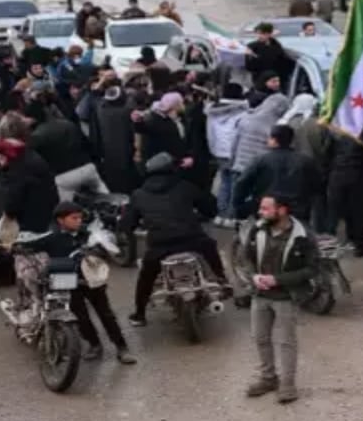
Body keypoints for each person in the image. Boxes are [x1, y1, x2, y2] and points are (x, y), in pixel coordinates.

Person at [16, 202, 137, 364]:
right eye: (74, 218)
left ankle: (122, 348)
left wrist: (99, 248)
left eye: (80, 217)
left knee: (106, 314)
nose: (78, 221)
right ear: (61, 220)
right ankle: (94, 345)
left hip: (91, 279)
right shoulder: (52, 238)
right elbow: (29, 245)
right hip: (68, 280)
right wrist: (13, 247)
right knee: (80, 316)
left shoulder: (88, 234)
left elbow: (107, 246)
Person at [123, 153, 226, 326]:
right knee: (210, 247)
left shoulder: (138, 194)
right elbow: (210, 208)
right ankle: (223, 281)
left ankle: (139, 314)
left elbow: (128, 224)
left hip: (160, 244)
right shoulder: (185, 186)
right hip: (192, 239)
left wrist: (131, 226)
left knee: (146, 277)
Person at [242, 194, 318, 404]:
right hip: (260, 295)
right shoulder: (257, 229)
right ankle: (268, 379)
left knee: (286, 342)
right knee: (260, 338)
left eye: (266, 209)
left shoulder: (303, 236)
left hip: (286, 297)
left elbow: (312, 269)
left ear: (282, 210)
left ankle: (288, 384)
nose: (261, 212)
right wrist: (254, 277)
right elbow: (246, 258)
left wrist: (278, 279)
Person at [233, 126, 321, 221]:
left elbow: (242, 182)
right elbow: (317, 185)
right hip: (297, 209)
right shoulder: (306, 161)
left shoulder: (261, 159)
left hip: (266, 207)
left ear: (274, 140)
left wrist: (238, 205)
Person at [29, 100, 109, 201]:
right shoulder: (68, 124)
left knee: (68, 212)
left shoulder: (36, 137)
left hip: (63, 177)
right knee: (107, 200)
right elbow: (88, 145)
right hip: (86, 168)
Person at [0, 137, 61, 234]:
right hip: (48, 209)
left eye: (0, 157)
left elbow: (11, 202)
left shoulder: (16, 172)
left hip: (30, 219)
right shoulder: (32, 158)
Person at [207, 83, 249, 228]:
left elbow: (210, 134)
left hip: (218, 151)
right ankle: (231, 216)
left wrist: (213, 150)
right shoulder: (242, 113)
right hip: (234, 152)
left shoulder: (212, 112)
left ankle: (220, 214)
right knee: (235, 184)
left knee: (224, 183)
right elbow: (240, 135)